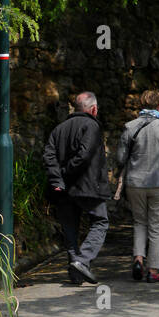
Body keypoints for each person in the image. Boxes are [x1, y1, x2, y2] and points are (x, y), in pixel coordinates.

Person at [114, 90, 159, 283]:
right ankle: (153, 270)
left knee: (139, 222)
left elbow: (120, 158)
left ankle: (138, 258)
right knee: (158, 226)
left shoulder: (129, 127)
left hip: (135, 183)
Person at [42, 92, 109, 286]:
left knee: (70, 228)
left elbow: (49, 156)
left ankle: (76, 272)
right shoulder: (92, 126)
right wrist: (65, 173)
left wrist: (57, 179)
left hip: (63, 189)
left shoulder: (59, 129)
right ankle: (83, 260)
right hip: (88, 186)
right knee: (100, 222)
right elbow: (84, 156)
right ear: (94, 109)